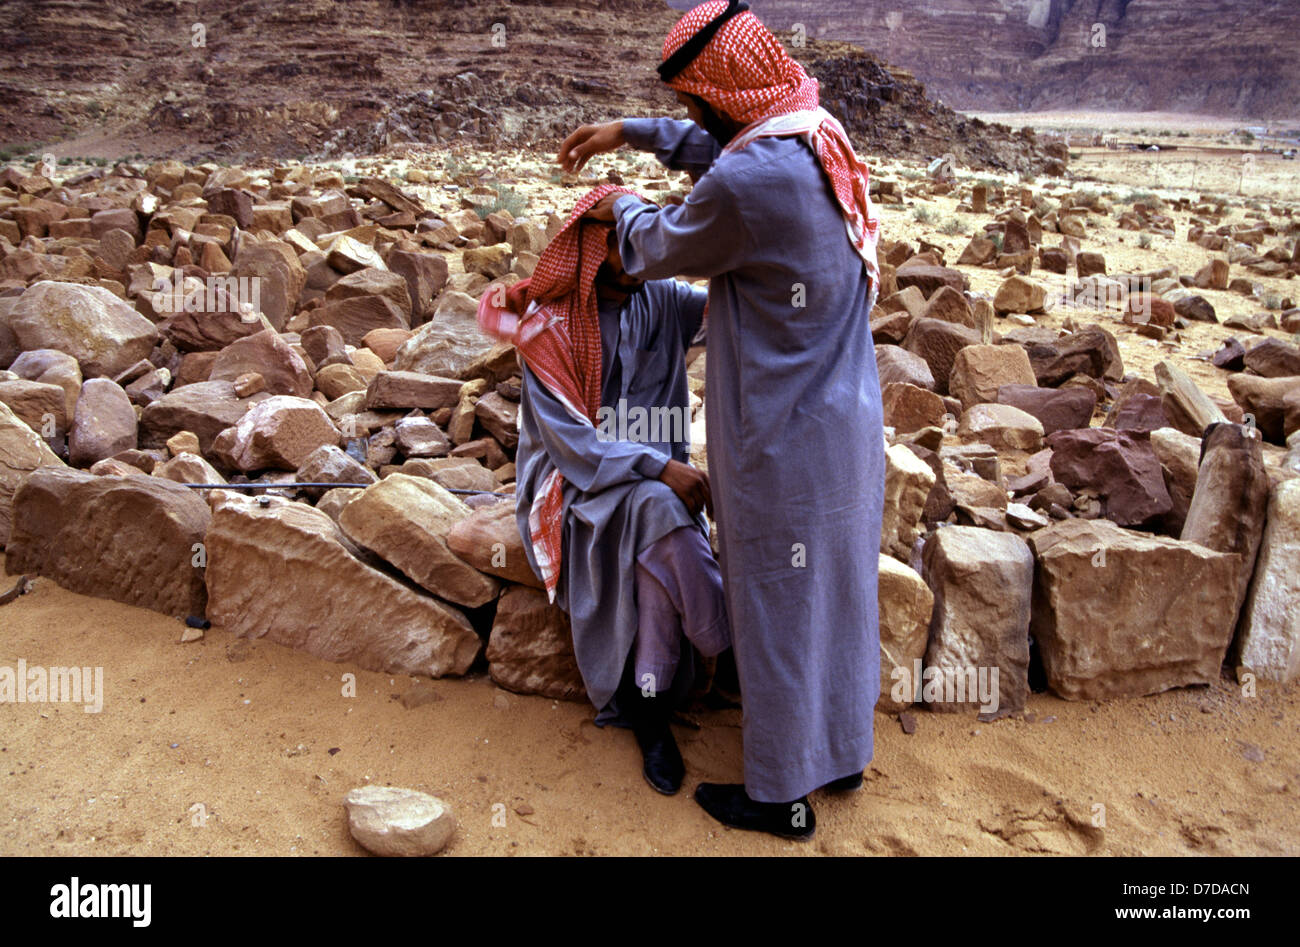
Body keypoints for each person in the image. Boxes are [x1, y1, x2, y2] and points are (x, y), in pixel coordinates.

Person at [557, 0, 885, 840]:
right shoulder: (807, 130)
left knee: (777, 602)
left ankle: (780, 796)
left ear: (721, 93)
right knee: (837, 595)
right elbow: (720, 149)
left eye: (696, 102)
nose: (696, 119)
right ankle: (840, 753)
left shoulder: (750, 182)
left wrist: (613, 200)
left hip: (781, 438)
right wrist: (629, 130)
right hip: (844, 423)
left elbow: (656, 246)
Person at [477, 185, 730, 796]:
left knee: (655, 532)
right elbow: (573, 446)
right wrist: (660, 465)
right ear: (590, 251)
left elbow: (738, 307)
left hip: (651, 492)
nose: (637, 260)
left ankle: (648, 709)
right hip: (571, 484)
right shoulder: (548, 328)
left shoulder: (662, 300)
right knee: (657, 503)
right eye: (624, 247)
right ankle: (731, 641)